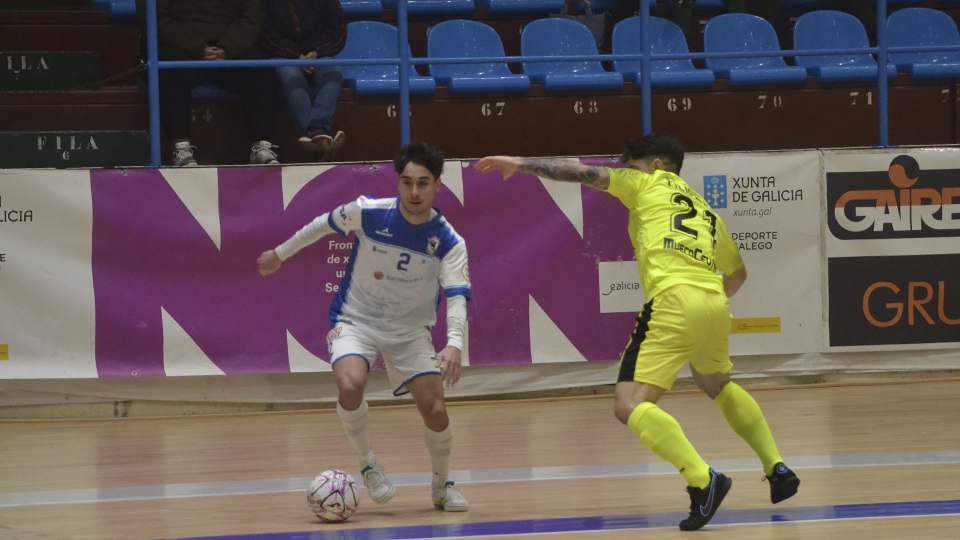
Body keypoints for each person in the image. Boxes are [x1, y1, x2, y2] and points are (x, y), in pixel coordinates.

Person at [475, 133, 799, 531]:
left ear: (656, 166)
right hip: (714, 302)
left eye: (631, 165)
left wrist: (519, 161)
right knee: (716, 381)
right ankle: (777, 467)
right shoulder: (706, 212)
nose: (626, 171)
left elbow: (581, 172)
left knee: (628, 404)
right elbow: (738, 273)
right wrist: (706, 303)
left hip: (673, 299)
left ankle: (703, 479)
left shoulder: (647, 181)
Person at [257, 142, 471, 512]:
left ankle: (441, 486)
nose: (414, 192)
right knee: (350, 385)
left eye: (423, 183)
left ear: (437, 185)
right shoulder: (369, 212)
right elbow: (321, 225)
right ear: (398, 183)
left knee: (435, 409)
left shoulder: (449, 242)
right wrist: (280, 254)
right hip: (356, 319)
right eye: (407, 182)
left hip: (410, 332)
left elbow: (457, 296)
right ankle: (369, 465)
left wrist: (454, 343)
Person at [136, 0, 280, 167]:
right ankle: (180, 147)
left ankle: (261, 146)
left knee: (262, 70)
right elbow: (153, 17)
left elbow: (252, 18)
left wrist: (227, 48)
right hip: (179, 45)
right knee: (169, 69)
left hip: (228, 47)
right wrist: (197, 46)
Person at [256, 0, 348, 161]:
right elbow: (265, 33)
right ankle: (319, 136)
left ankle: (316, 132)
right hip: (284, 56)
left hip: (318, 54)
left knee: (334, 71)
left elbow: (337, 28)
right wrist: (296, 56)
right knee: (291, 77)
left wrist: (315, 52)